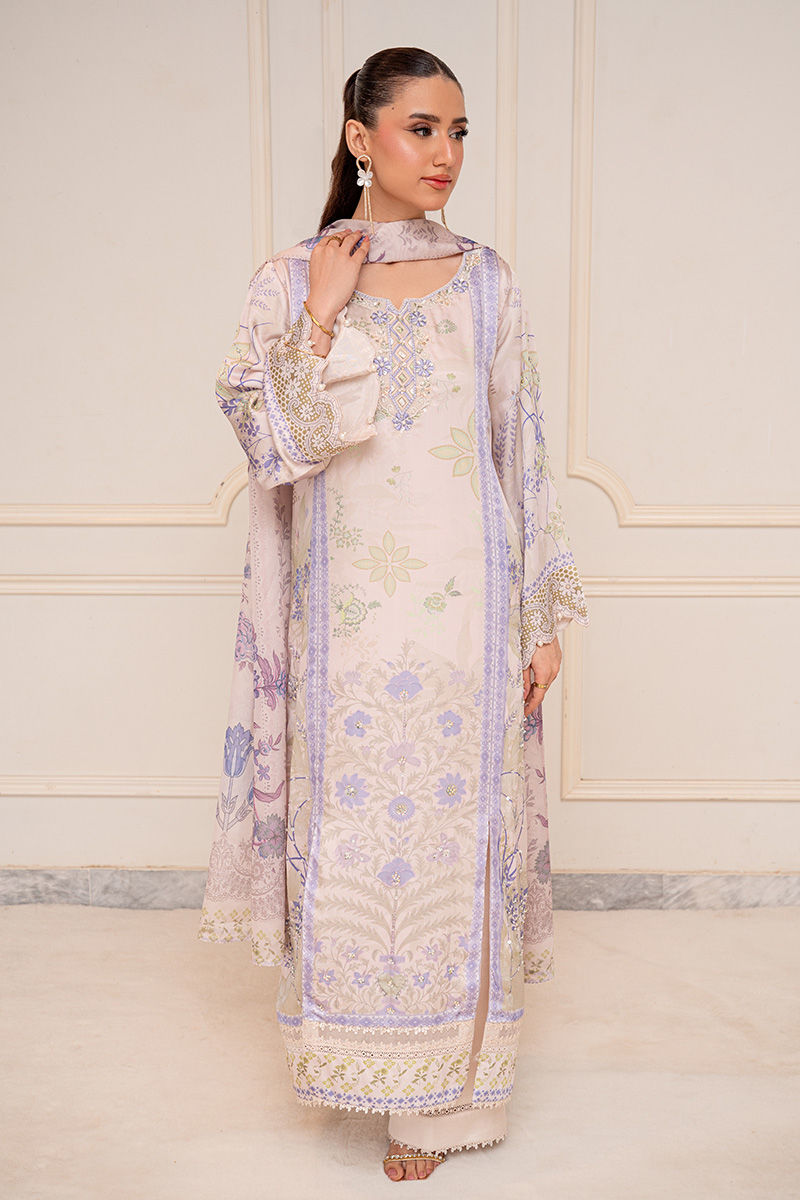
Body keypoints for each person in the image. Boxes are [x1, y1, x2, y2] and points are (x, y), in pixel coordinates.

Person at [198, 46, 589, 1182]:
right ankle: (369, 1065)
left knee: (465, 849)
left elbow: (521, 451)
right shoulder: (289, 280)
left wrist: (540, 617)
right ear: (360, 138)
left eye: (458, 131)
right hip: (344, 632)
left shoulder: (488, 281)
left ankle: (448, 1107)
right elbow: (273, 446)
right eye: (422, 128)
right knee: (359, 849)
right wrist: (321, 317)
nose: (445, 153)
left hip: (469, 623)